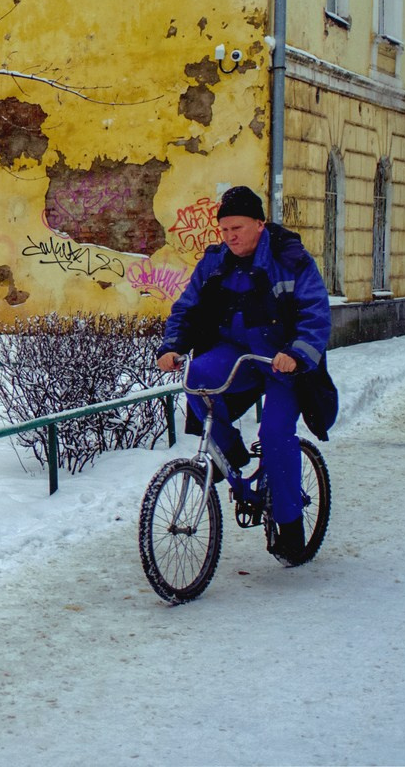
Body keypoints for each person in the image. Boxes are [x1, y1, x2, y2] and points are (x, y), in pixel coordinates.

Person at [156, 185, 332, 567]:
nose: (229, 236)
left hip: (283, 362)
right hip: (239, 354)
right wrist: (172, 346)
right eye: (224, 230)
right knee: (197, 376)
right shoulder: (216, 262)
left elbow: (316, 315)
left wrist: (297, 354)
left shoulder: (292, 261)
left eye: (237, 228)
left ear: (259, 224)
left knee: (274, 435)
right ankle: (230, 453)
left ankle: (290, 527)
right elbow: (186, 307)